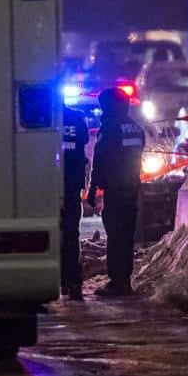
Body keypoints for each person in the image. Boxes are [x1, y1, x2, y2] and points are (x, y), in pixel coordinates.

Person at [90, 87, 144, 296]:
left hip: (115, 189)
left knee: (115, 235)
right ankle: (125, 281)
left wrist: (94, 186)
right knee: (127, 235)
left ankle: (116, 282)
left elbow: (100, 158)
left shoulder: (110, 127)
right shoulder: (135, 128)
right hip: (131, 188)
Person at [60, 106, 89, 300]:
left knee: (57, 233)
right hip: (71, 184)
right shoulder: (77, 117)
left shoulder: (39, 113)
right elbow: (84, 141)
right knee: (71, 233)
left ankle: (64, 280)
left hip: (44, 185)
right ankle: (72, 282)